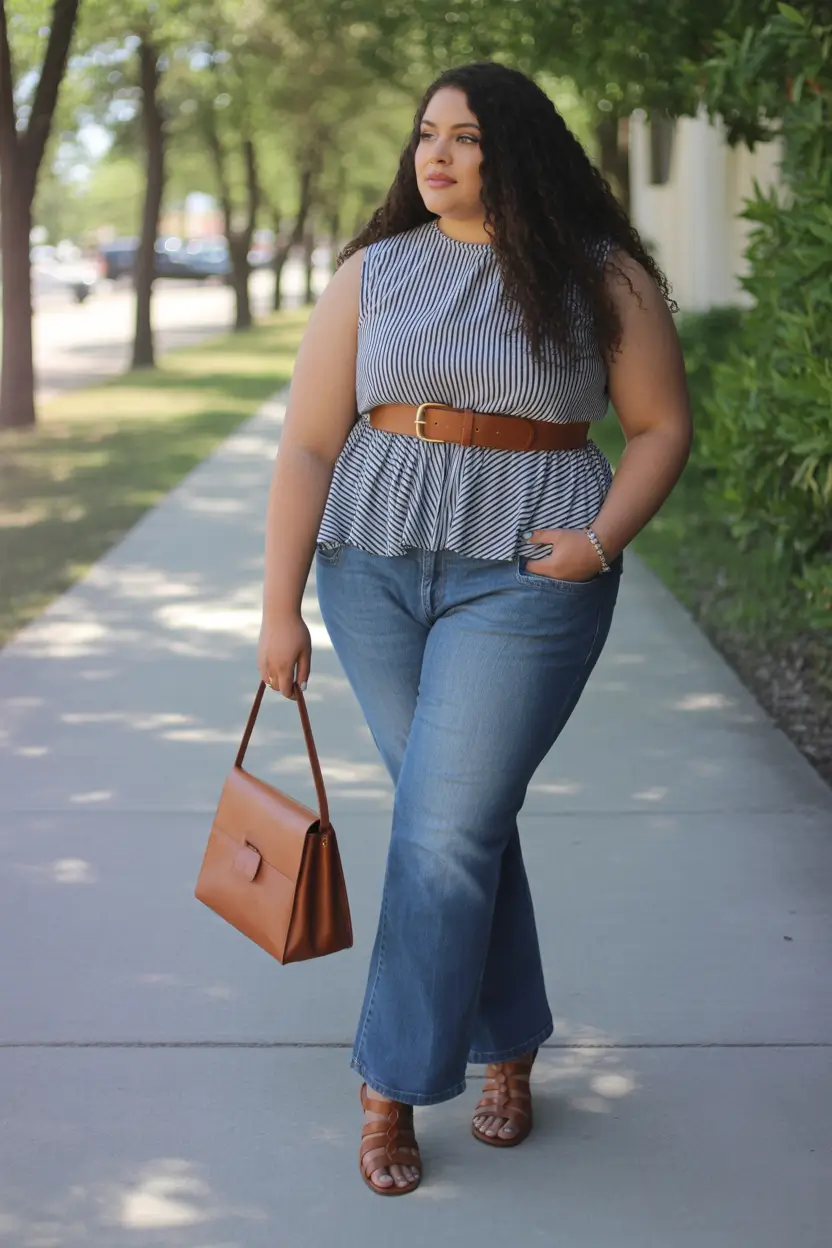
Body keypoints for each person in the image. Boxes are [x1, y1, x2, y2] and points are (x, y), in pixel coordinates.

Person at [257, 60, 692, 1197]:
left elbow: (658, 428)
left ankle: (389, 1084)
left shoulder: (602, 277)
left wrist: (597, 544)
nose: (435, 153)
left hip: (527, 580)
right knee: (453, 823)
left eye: (465, 135)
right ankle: (508, 1044)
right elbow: (308, 443)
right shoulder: (372, 274)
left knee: (445, 828)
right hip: (373, 574)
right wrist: (278, 607)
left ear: (518, 148)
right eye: (423, 134)